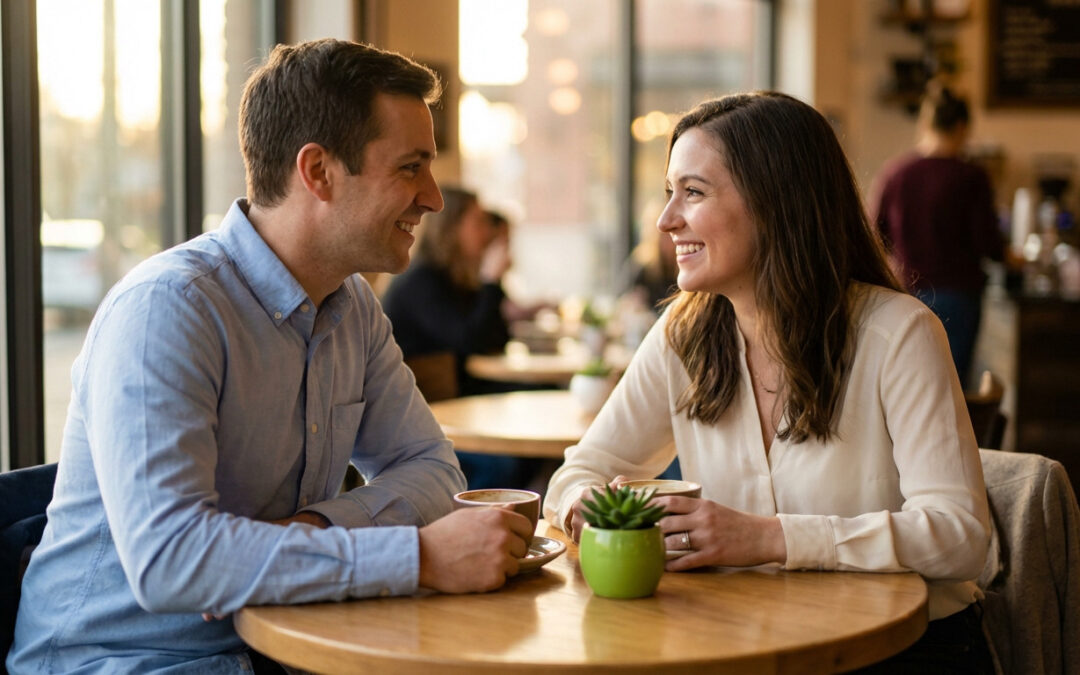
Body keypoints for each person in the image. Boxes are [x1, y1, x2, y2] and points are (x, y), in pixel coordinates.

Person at [7, 39, 534, 674]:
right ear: (318, 172)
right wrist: (414, 557)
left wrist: (310, 529)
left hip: (277, 649)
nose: (434, 198)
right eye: (409, 167)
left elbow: (432, 469)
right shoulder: (167, 309)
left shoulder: (353, 308)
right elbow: (171, 562)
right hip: (120, 661)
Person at [543, 92, 993, 672]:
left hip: (906, 648)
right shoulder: (683, 335)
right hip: (750, 640)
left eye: (694, 192)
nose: (665, 220)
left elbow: (960, 536)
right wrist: (589, 505)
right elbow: (579, 472)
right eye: (669, 192)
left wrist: (770, 538)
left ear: (776, 202)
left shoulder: (898, 333)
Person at [382, 186, 536, 490]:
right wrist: (491, 280)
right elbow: (471, 340)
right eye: (478, 222)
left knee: (539, 404)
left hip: (460, 405)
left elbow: (497, 338)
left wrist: (492, 283)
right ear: (452, 228)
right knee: (506, 463)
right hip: (422, 422)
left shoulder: (458, 278)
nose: (487, 232)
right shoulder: (422, 281)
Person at [871, 84, 1005, 387]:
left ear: (926, 124)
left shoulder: (896, 174)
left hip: (905, 293)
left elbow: (873, 235)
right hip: (959, 297)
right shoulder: (971, 177)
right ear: (961, 127)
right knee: (952, 389)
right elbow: (990, 244)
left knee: (907, 387)